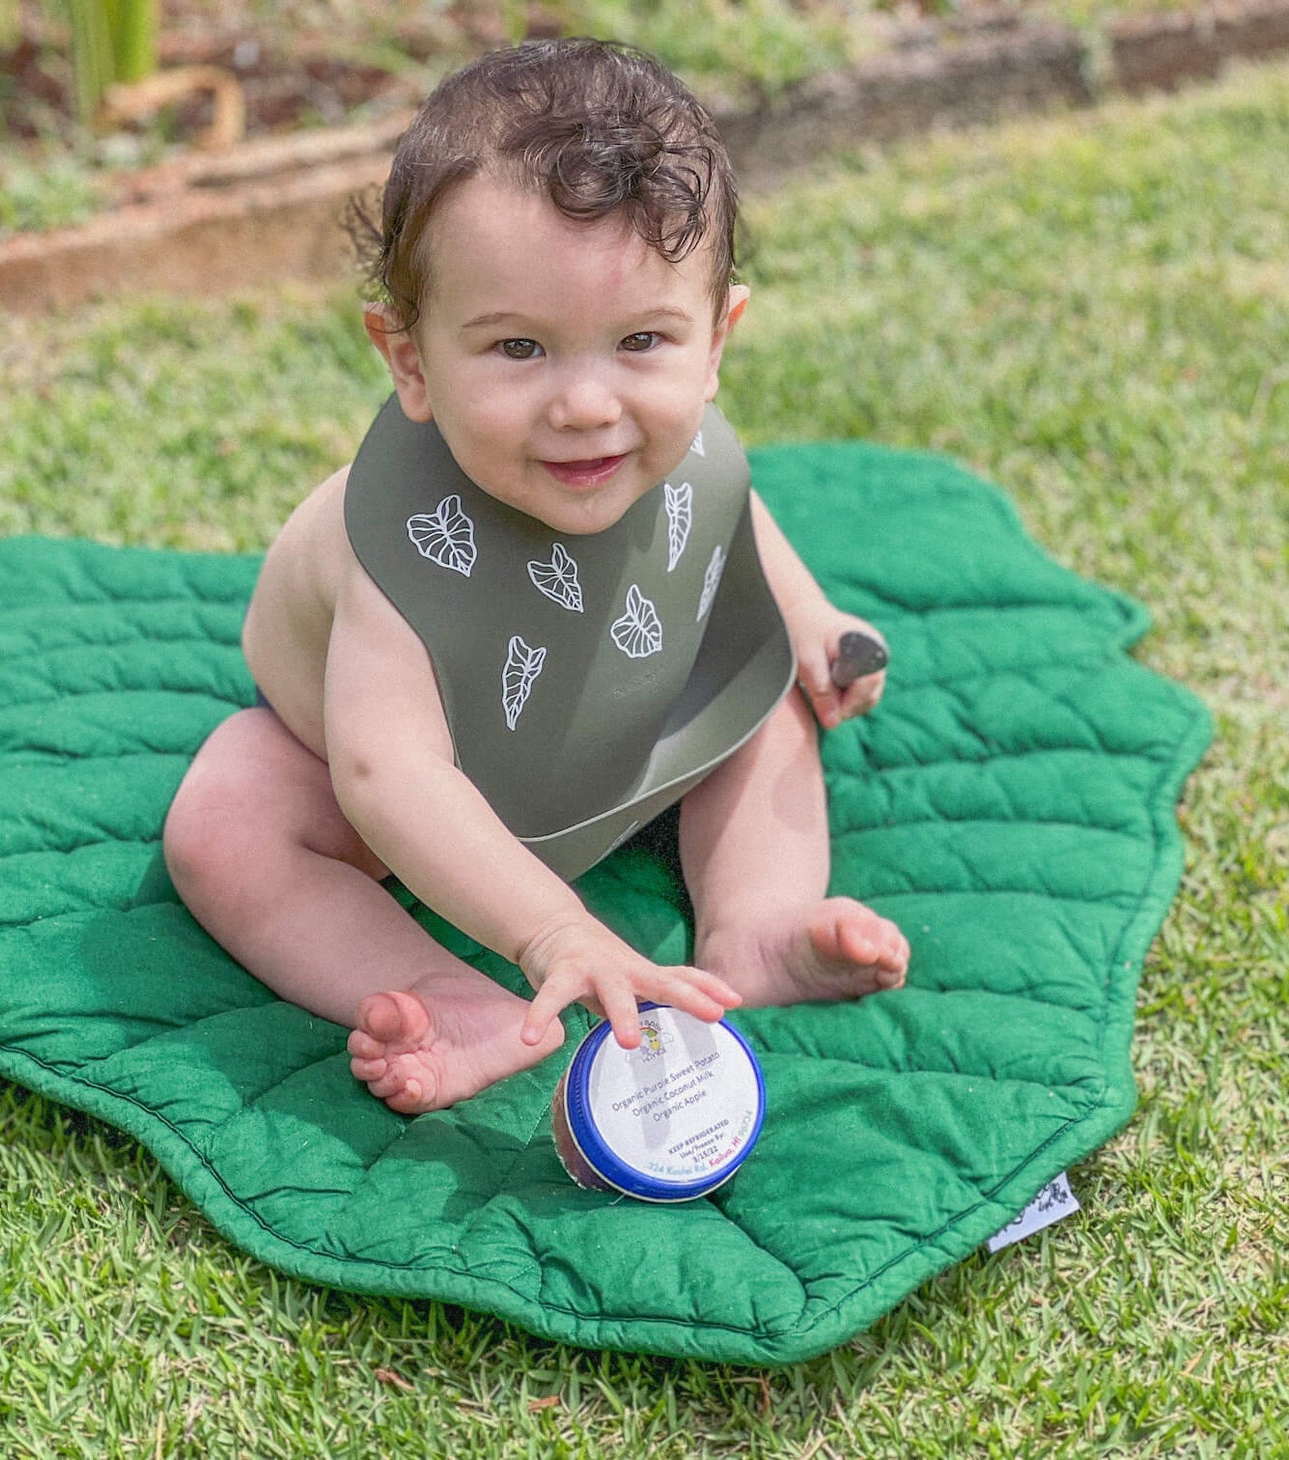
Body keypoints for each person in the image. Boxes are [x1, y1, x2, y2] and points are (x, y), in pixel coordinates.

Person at [163, 37, 908, 1115]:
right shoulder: (401, 540)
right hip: (386, 773)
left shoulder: (675, 438)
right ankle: (446, 993)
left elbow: (725, 503)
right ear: (410, 359)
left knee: (762, 707)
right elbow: (388, 773)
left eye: (641, 340)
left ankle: (756, 924)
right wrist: (550, 926)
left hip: (613, 717)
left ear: (714, 342)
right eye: (519, 349)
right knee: (224, 822)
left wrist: (805, 614)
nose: (586, 405)